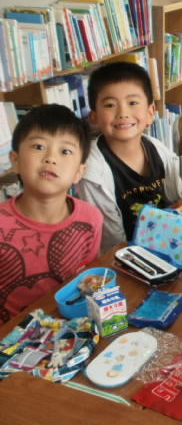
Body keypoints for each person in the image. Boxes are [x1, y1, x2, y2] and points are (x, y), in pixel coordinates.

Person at [0, 104, 103, 325]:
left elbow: (86, 283)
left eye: (65, 151)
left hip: (71, 329)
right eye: (39, 146)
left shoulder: (91, 219)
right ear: (15, 161)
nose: (50, 158)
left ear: (79, 172)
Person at [76, 61, 182, 253]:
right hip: (124, 256)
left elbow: (178, 200)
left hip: (167, 240)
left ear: (150, 113)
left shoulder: (157, 148)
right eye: (110, 105)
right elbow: (111, 243)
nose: (123, 113)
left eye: (132, 103)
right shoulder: (93, 172)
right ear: (94, 117)